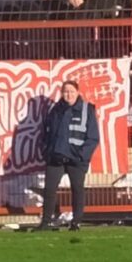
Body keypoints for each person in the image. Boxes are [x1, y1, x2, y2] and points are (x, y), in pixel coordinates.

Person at [37, 80, 100, 231]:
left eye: (71, 91)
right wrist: (47, 151)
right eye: (66, 91)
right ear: (61, 93)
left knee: (77, 189)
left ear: (78, 93)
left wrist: (82, 156)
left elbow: (93, 137)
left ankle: (76, 222)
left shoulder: (87, 109)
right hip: (56, 157)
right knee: (49, 189)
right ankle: (46, 222)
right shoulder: (55, 109)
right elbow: (46, 133)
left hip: (76, 159)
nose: (68, 95)